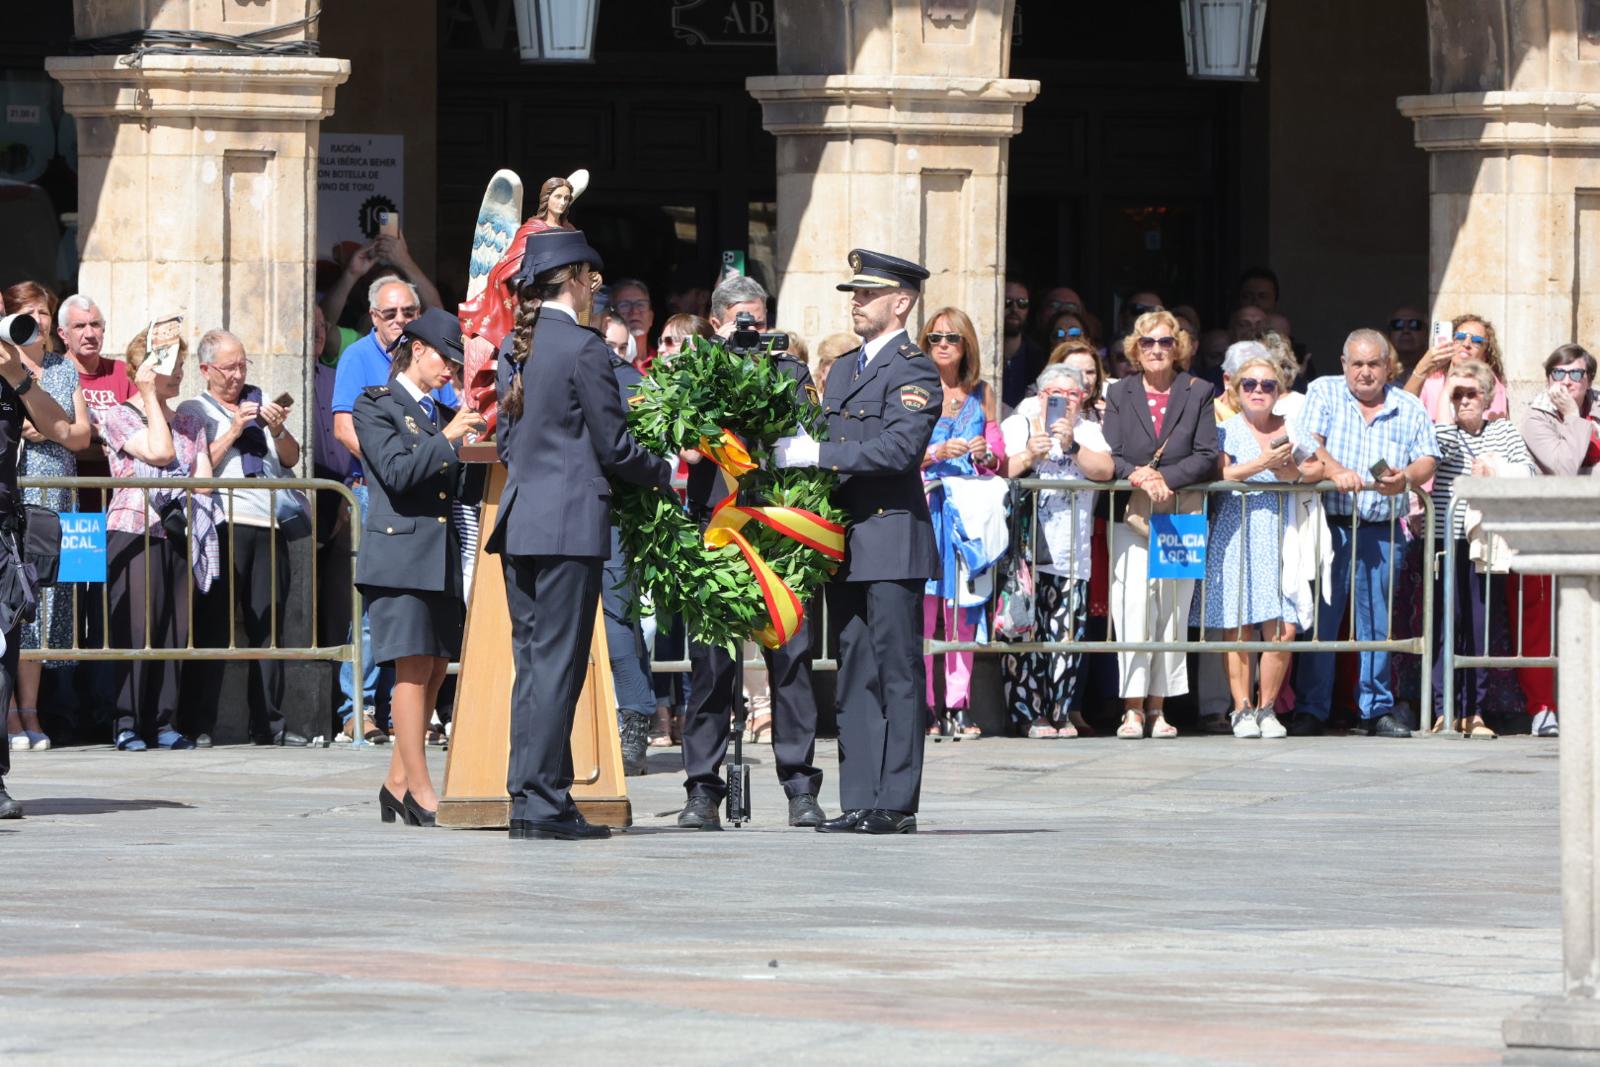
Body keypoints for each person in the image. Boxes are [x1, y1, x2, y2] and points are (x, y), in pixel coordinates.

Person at [490, 228, 674, 842]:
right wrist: (663, 471)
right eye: (591, 281)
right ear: (575, 280)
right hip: (568, 524)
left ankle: (529, 795)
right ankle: (544, 801)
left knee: (534, 664)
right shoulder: (582, 348)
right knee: (558, 666)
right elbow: (615, 445)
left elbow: (508, 443)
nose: (596, 291)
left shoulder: (516, 346)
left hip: (523, 519)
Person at [773, 248, 941, 835]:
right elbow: (824, 433)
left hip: (891, 535)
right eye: (855, 293)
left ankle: (896, 803)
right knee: (854, 672)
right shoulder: (843, 369)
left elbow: (899, 450)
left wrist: (818, 453)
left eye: (869, 294)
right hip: (845, 539)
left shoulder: (914, 370)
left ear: (902, 302)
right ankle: (861, 798)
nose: (857, 302)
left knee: (897, 673)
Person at [677, 274, 827, 831]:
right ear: (716, 322)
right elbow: (684, 445)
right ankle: (702, 789)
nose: (750, 331)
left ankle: (800, 787)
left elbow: (811, 434)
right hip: (717, 527)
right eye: (740, 321)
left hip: (776, 528)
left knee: (791, 662)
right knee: (711, 666)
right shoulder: (696, 370)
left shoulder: (789, 369)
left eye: (758, 322)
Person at [353, 309, 485, 826]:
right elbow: (396, 472)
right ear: (418, 350)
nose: (450, 369)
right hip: (400, 556)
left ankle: (397, 783)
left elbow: (456, 489)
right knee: (410, 666)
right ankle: (421, 790)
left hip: (440, 554)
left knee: (432, 667)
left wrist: (478, 447)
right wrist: (449, 438)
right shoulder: (376, 403)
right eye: (445, 358)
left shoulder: (439, 413)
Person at [1292, 328, 1440, 738]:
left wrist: (1405, 478)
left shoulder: (1408, 405)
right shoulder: (1323, 391)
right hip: (1331, 527)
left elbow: (1428, 458)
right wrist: (1335, 469)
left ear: (1388, 366)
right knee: (1321, 623)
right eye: (1357, 364)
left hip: (1381, 529)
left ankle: (1375, 710)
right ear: (1344, 365)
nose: (1365, 372)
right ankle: (1311, 709)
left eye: (1374, 363)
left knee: (1377, 623)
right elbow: (1306, 443)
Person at [331, 275, 456, 743]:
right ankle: (360, 709)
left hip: (438, 538)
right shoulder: (372, 388)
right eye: (391, 313)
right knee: (389, 638)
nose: (400, 321)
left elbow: (453, 469)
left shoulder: (438, 404)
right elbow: (381, 457)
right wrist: (402, 459)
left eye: (409, 313)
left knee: (433, 659)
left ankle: (403, 768)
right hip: (391, 521)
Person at [177, 329, 307, 747]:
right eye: (228, 368)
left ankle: (270, 724)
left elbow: (290, 458)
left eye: (242, 366)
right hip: (222, 522)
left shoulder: (260, 402)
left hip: (267, 524)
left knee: (268, 625)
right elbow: (195, 467)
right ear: (206, 369)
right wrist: (233, 430)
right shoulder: (195, 410)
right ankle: (198, 723)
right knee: (213, 625)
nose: (237, 375)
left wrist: (279, 430)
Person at [1094, 309, 1218, 740]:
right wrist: (1140, 475)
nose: (1157, 349)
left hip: (1180, 514)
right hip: (1131, 513)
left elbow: (1207, 454)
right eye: (1148, 342)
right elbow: (1110, 451)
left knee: (1172, 609)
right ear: (1135, 348)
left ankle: (1158, 708)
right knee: (1132, 606)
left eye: (1165, 342)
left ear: (1177, 347)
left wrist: (1165, 478)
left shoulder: (1199, 391)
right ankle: (1131, 708)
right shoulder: (1119, 391)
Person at [96, 327, 219, 752]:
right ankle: (126, 722)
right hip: (134, 527)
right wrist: (148, 396)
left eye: (182, 363)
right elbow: (162, 454)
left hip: (180, 528)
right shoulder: (119, 415)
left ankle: (163, 721)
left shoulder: (190, 421)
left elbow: (203, 481)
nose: (180, 372)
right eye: (172, 364)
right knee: (135, 626)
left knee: (173, 626)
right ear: (145, 368)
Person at [1197, 350, 1323, 739]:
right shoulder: (1224, 430)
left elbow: (1317, 466)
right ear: (1236, 390)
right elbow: (1219, 471)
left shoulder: (1291, 426)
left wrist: (1293, 472)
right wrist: (1263, 465)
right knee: (1238, 628)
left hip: (1281, 532)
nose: (1258, 391)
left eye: (1267, 385)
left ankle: (1267, 708)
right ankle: (1241, 708)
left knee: (1283, 628)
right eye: (1249, 384)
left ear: (1278, 391)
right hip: (1236, 531)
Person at [1000, 364, 1113, 737]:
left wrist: (1073, 446)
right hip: (1025, 553)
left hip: (1070, 553)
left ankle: (1060, 712)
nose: (1063, 402)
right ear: (1040, 396)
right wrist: (1029, 455)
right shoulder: (1019, 424)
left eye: (1071, 395)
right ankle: (1029, 715)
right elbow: (1000, 470)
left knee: (1066, 636)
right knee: (1024, 634)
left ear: (1082, 399)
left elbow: (1105, 470)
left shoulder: (1088, 430)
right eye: (1054, 395)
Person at [1427, 358, 1537, 740]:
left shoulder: (1503, 430)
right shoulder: (1442, 430)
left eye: (1470, 393)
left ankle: (1473, 712)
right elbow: (1437, 449)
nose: (1463, 400)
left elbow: (1528, 473)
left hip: (1485, 544)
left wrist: (1495, 470)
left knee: (1478, 627)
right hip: (1445, 542)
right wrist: (1444, 396)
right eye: (1456, 394)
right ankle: (1443, 710)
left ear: (1487, 397)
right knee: (1445, 625)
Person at [2, 283, 89, 753]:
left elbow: (77, 434)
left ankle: (30, 710)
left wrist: (44, 426)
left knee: (39, 605)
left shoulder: (58, 368)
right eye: (28, 313)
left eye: (44, 313)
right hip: (16, 491)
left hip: (48, 499)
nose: (37, 321)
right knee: (12, 607)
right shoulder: (6, 365)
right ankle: (10, 714)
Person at [918, 307, 1006, 740]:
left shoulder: (981, 392)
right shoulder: (914, 389)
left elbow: (998, 455)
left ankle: (959, 703)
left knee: (962, 611)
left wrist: (984, 453)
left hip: (966, 512)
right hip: (926, 505)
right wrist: (936, 453)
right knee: (923, 611)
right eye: (935, 337)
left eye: (951, 337)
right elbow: (896, 450)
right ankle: (923, 705)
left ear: (966, 343)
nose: (943, 345)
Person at [1514, 344, 1599, 737]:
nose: (1567, 382)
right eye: (1558, 374)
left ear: (1589, 379)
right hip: (1549, 529)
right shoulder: (1537, 416)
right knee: (1540, 622)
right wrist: (1574, 419)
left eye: (1576, 374)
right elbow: (1564, 467)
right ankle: (1543, 707)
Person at [1403, 313, 1510, 421]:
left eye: (1476, 341)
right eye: (1460, 337)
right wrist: (1422, 367)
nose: (1466, 344)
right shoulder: (1432, 381)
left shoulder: (1492, 387)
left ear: (1486, 354)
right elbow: (1403, 411)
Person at [1001, 279, 1047, 407]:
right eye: (1007, 302)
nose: (1014, 309)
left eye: (1022, 303)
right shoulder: (979, 354)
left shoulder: (1039, 357)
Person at [611, 278, 657, 372]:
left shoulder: (663, 363)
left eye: (641, 305)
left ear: (651, 318)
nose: (634, 311)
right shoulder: (608, 362)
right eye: (625, 305)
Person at [1387, 307, 1429, 376]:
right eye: (1398, 324)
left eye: (1414, 324)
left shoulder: (1436, 369)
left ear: (1426, 333)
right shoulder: (1380, 371)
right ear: (1389, 333)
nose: (1405, 330)